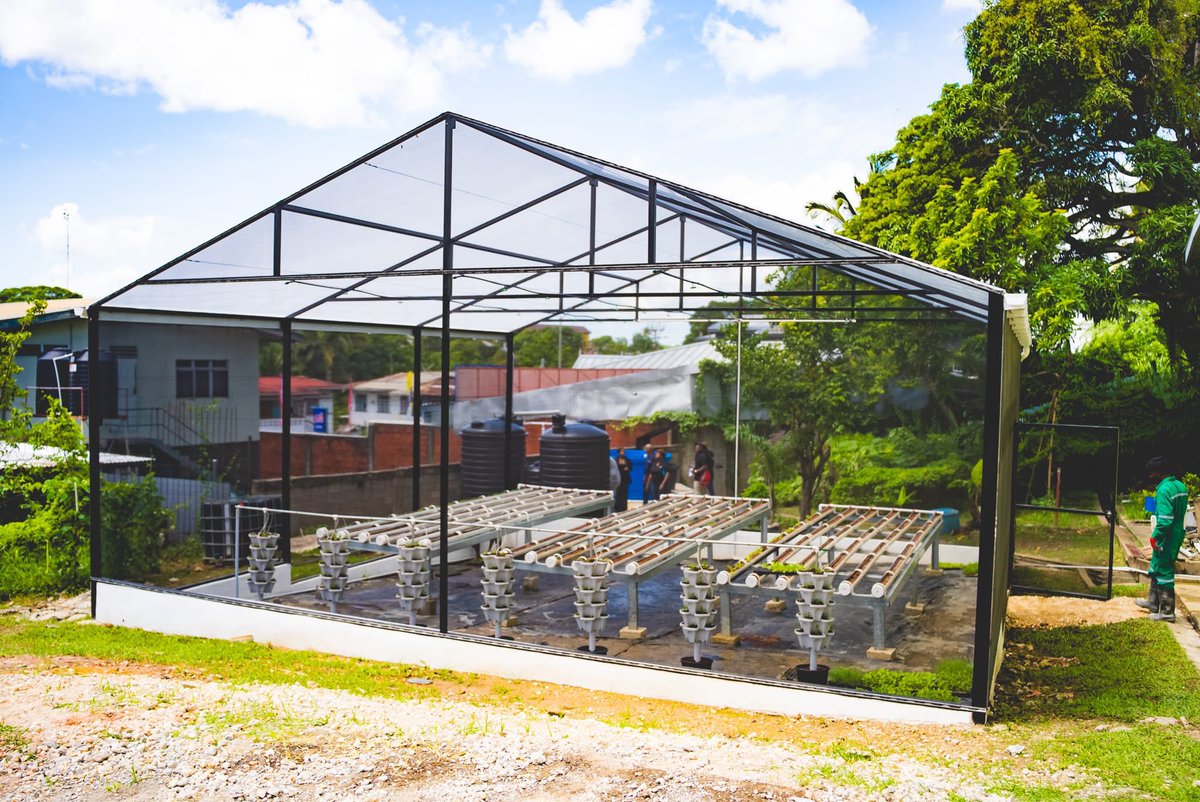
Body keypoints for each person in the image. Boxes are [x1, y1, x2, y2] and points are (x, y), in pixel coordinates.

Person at [1137, 456, 1188, 622]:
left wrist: (1155, 536)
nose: (1150, 476)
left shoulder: (1164, 490)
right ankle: (1153, 603)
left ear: (1159, 472)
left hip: (1166, 536)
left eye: (1152, 473)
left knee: (1164, 570)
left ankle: (1166, 612)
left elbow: (1165, 519)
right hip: (1176, 532)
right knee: (1156, 565)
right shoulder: (1179, 486)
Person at [614, 448, 631, 512]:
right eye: (621, 451)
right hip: (618, 479)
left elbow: (630, 467)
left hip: (625, 479)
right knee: (618, 494)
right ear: (619, 452)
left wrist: (628, 468)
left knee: (624, 494)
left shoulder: (627, 460)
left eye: (623, 451)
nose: (623, 453)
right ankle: (617, 508)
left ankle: (624, 508)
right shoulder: (616, 460)